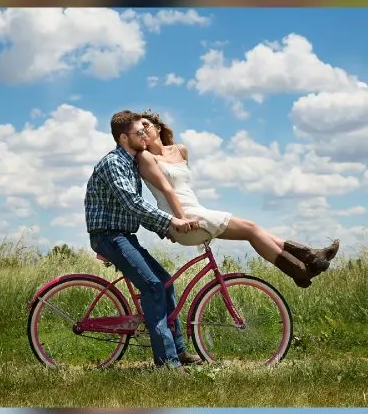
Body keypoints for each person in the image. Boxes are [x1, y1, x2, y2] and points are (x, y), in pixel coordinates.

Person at [137, 109, 340, 289]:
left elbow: (183, 188)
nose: (142, 130)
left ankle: (307, 261)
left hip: (196, 210)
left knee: (254, 229)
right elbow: (167, 190)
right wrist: (177, 221)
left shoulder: (180, 150)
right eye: (138, 130)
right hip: (183, 219)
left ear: (157, 127)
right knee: (251, 229)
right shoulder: (145, 158)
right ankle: (302, 266)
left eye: (145, 125)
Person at [84, 110, 202, 369]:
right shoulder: (114, 163)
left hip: (123, 235)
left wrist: (165, 230)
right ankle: (167, 363)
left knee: (166, 284)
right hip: (109, 236)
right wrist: (172, 222)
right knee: (153, 287)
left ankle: (179, 351)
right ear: (124, 137)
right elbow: (133, 203)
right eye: (140, 132)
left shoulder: (130, 162)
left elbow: (135, 209)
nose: (145, 136)